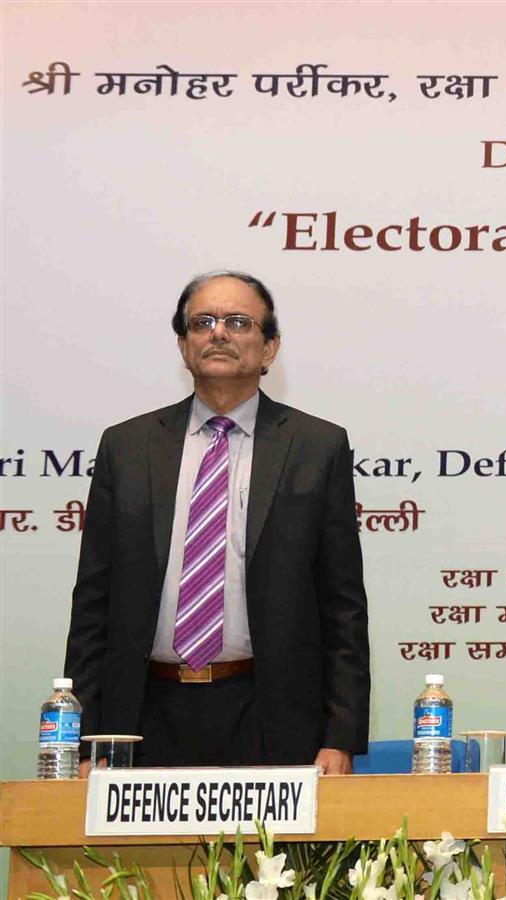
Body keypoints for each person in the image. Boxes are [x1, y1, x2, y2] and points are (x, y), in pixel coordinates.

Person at [63, 271, 369, 771]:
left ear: (269, 348)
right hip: (141, 715)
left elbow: (343, 608)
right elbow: (94, 601)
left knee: (265, 853)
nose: (219, 333)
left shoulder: (317, 447)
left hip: (270, 713)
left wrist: (340, 735)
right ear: (184, 346)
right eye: (202, 322)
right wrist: (84, 735)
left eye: (238, 322)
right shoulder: (127, 447)